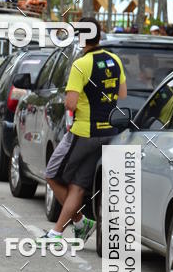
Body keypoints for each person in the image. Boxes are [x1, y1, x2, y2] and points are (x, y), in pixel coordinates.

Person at [45, 17, 127, 241]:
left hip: (84, 131)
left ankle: (79, 220)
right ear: (99, 36)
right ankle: (61, 231)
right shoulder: (115, 60)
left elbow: (70, 103)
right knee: (79, 184)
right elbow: (122, 94)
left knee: (51, 174)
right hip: (108, 132)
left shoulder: (81, 64)